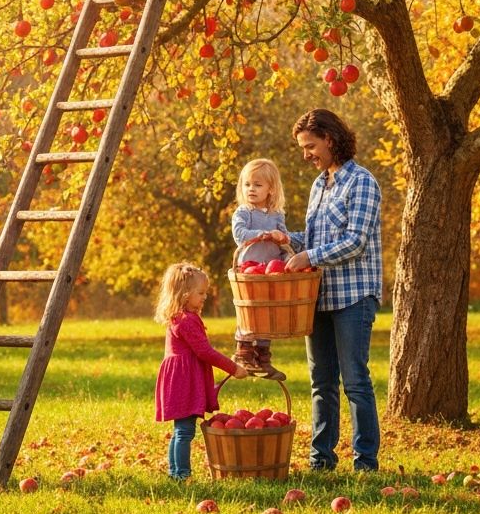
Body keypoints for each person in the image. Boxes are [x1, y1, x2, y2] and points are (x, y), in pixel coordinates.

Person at [285, 109, 383, 472]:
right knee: (321, 382)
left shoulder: (361, 182)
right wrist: (288, 239)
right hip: (320, 296)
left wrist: (309, 254)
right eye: (302, 148)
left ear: (329, 138)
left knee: (355, 380)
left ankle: (365, 462)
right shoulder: (320, 185)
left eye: (310, 146)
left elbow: (355, 242)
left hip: (354, 296)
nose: (306, 154)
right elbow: (312, 240)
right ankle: (321, 459)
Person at [154, 262, 248, 480]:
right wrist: (233, 368)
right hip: (183, 381)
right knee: (185, 431)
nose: (205, 297)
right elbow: (205, 351)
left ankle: (175, 472)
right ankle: (182, 475)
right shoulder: (186, 320)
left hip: (181, 378)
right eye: (201, 293)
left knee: (180, 430)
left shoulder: (180, 317)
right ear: (185, 294)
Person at [230, 157, 291, 381]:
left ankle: (263, 356)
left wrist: (284, 248)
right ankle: (244, 351)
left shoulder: (277, 215)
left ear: (271, 189)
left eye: (257, 185)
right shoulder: (243, 213)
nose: (251, 189)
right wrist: (263, 235)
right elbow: (240, 236)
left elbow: (285, 243)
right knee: (249, 311)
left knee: (267, 314)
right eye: (247, 184)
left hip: (271, 272)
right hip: (248, 270)